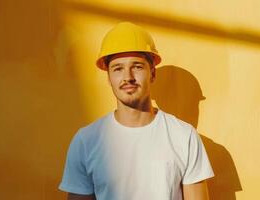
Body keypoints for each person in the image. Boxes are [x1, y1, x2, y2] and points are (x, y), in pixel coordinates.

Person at [59, 21, 214, 200]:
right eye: (118, 69)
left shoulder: (184, 136)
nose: (128, 77)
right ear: (109, 77)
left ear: (152, 73)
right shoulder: (86, 141)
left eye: (137, 67)